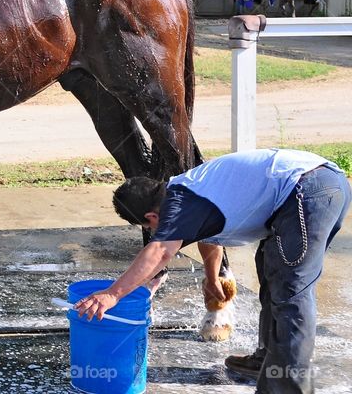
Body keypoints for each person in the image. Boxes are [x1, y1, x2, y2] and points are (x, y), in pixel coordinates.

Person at [75, 148, 349, 394]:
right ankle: (269, 362)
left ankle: (288, 387)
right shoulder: (187, 194)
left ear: (151, 217)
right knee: (271, 268)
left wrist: (112, 294)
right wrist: (211, 275)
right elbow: (210, 236)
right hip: (313, 187)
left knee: (292, 289)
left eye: (149, 229)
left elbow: (160, 252)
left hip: (308, 189)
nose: (153, 232)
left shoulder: (179, 202)